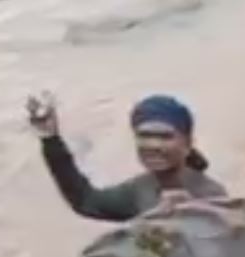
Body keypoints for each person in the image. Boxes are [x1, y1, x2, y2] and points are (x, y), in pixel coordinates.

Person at [28, 92, 228, 222]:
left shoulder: (209, 193)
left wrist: (188, 215)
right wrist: (50, 138)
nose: (153, 146)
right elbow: (86, 201)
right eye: (144, 136)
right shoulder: (140, 189)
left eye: (165, 136)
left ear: (187, 143)